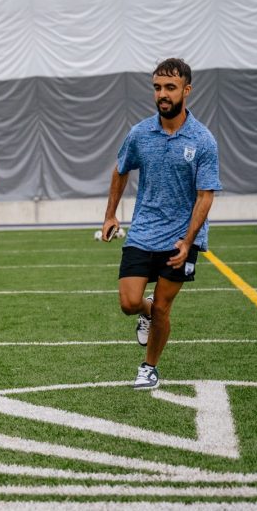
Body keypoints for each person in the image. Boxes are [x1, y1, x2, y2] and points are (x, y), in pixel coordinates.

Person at [102, 58, 221, 390]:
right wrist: (111, 214)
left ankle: (149, 367)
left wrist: (188, 240)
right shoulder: (140, 133)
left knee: (164, 308)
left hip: (180, 238)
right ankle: (146, 309)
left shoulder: (203, 140)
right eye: (157, 87)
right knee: (128, 303)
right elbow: (120, 168)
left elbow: (205, 196)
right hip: (143, 230)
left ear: (186, 90)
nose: (163, 94)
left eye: (170, 87)